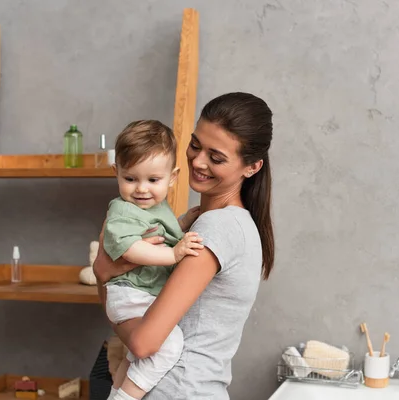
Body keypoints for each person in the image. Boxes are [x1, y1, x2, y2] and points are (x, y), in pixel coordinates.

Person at [94, 92, 275, 399]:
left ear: (252, 167)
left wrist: (102, 274)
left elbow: (142, 343)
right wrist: (106, 274)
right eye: (194, 145)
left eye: (216, 158)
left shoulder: (217, 228)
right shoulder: (207, 222)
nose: (198, 161)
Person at [101, 120, 204, 400]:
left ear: (172, 177)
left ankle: (115, 395)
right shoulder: (122, 211)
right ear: (117, 173)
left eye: (153, 180)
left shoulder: (155, 208)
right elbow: (131, 249)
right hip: (130, 293)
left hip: (140, 292)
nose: (141, 189)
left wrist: (181, 224)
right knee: (170, 345)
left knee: (135, 357)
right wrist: (173, 254)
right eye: (130, 179)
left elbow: (159, 233)